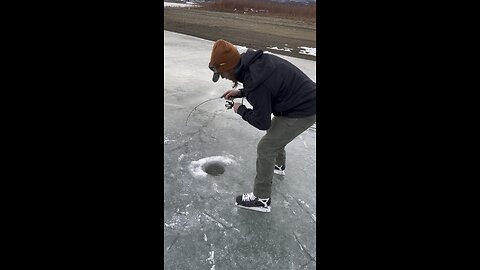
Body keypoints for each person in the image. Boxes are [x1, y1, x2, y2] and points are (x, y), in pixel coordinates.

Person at [208, 39, 316, 213]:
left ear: (230, 68)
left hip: (305, 109)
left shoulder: (257, 81)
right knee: (275, 131)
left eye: (223, 73)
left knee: (266, 146)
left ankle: (261, 199)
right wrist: (241, 92)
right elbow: (265, 87)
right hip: (299, 100)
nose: (223, 77)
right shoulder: (254, 64)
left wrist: (240, 109)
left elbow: (261, 121)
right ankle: (278, 166)